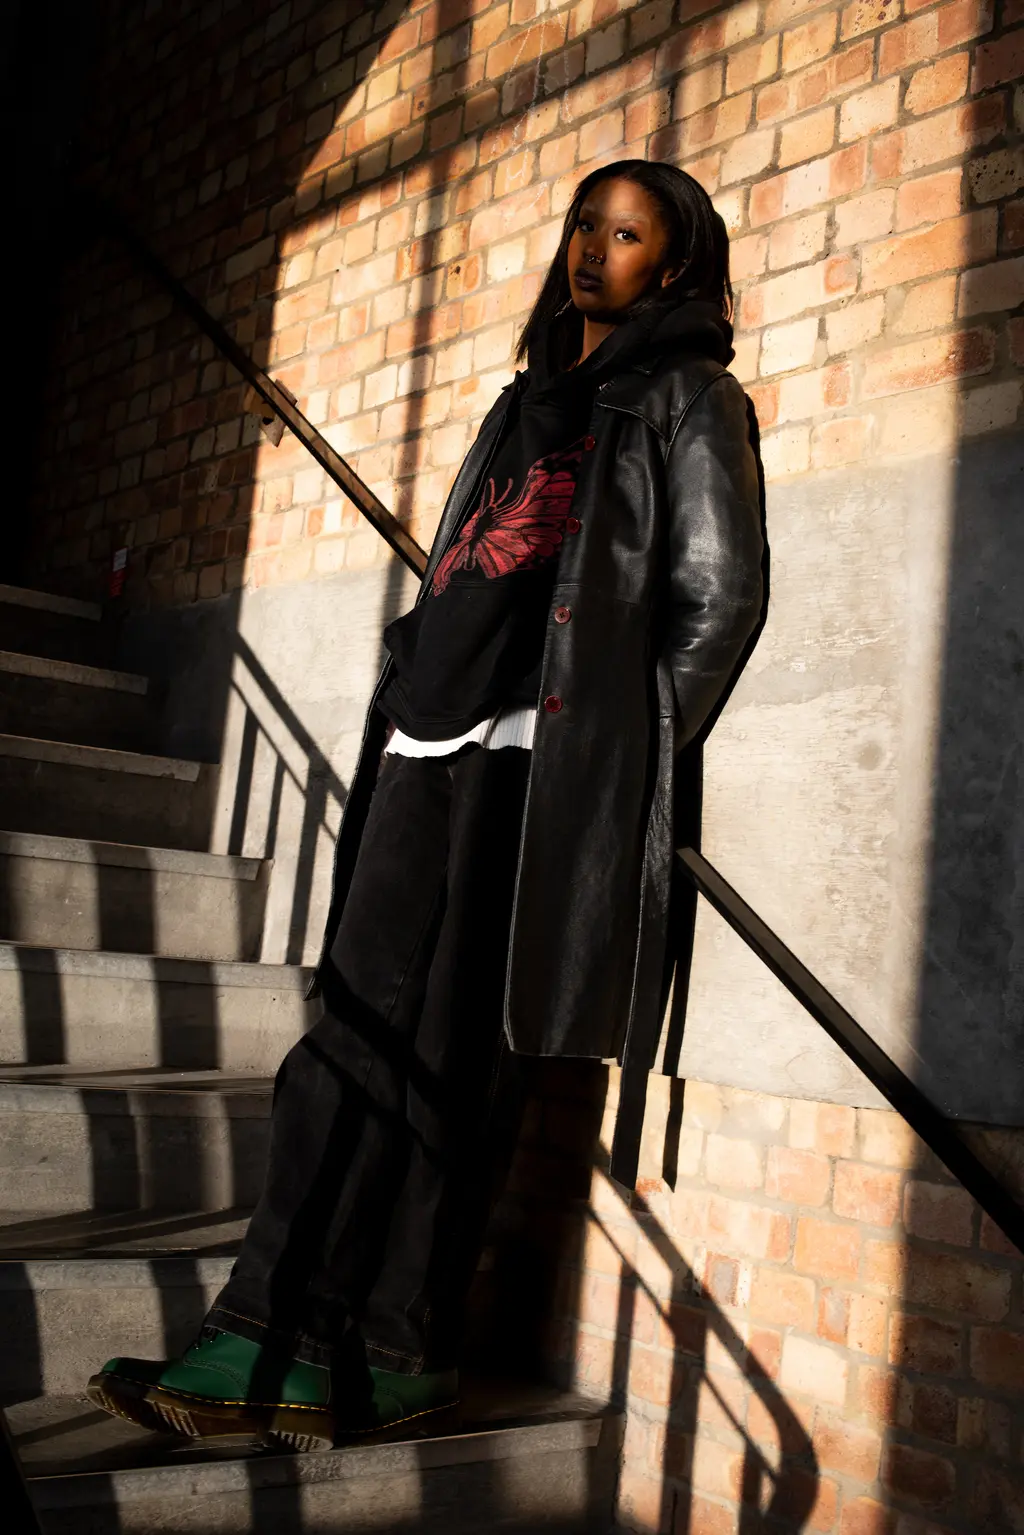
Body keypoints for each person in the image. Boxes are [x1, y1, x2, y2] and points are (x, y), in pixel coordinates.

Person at [87, 159, 768, 1450]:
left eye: (626, 234)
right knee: (345, 1037)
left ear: (672, 264)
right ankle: (263, 1325)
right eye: (582, 224)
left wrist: (610, 759)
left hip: (530, 761)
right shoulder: (527, 395)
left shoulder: (689, 399)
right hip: (424, 737)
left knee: (451, 1057)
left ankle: (398, 1347)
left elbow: (719, 600)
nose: (592, 249)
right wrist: (411, 664)